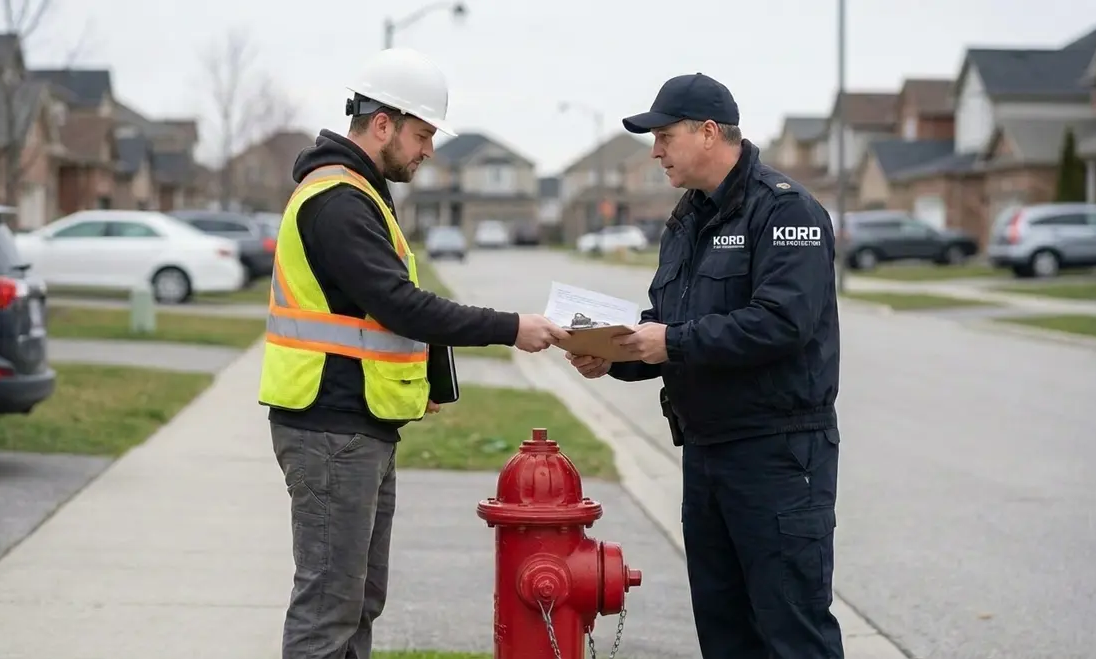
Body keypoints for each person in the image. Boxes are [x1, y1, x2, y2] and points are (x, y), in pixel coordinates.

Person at [258, 47, 568, 659]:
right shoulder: (338, 201)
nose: (429, 150)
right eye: (423, 134)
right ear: (383, 124)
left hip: (357, 424)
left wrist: (423, 382)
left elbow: (377, 311)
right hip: (331, 430)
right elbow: (400, 305)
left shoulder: (361, 193)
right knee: (328, 608)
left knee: (358, 601)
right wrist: (511, 328)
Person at [566, 73, 843, 659]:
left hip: (778, 455)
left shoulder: (786, 211)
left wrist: (671, 342)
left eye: (665, 135)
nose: (656, 150)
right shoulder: (688, 219)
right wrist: (612, 355)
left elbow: (781, 324)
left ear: (710, 132)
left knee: (791, 630)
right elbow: (669, 322)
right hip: (707, 452)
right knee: (724, 631)